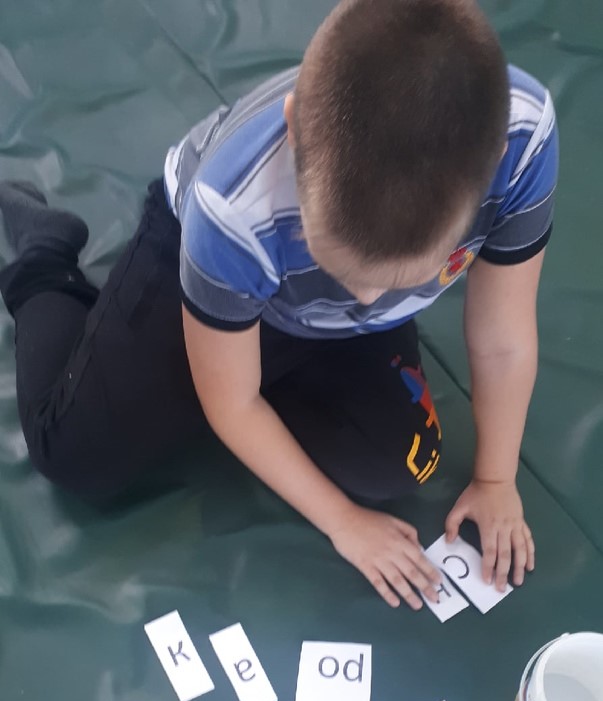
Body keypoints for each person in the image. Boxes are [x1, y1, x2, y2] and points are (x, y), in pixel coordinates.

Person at [0, 0, 558, 610]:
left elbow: (503, 338)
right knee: (74, 457)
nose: (366, 300)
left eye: (401, 277)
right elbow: (232, 402)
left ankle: (283, 351)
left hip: (306, 311)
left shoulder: (521, 141)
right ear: (294, 130)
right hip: (214, 270)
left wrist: (496, 478)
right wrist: (341, 521)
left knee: (396, 467)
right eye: (347, 269)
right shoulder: (230, 209)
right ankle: (45, 258)